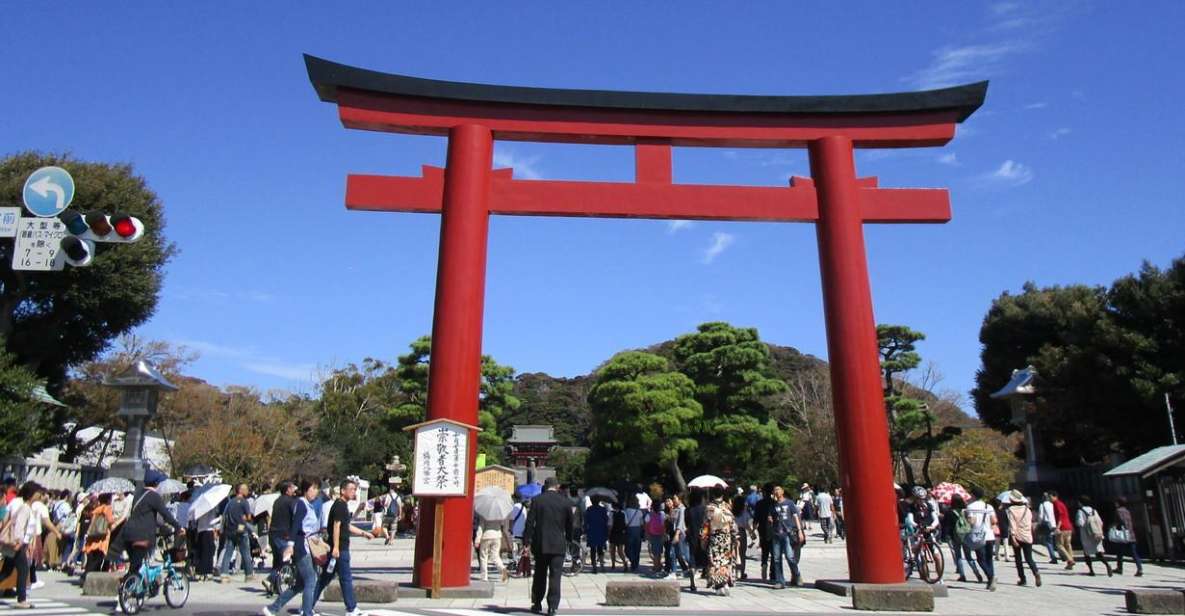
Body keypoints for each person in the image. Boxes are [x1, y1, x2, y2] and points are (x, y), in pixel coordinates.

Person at [120, 472, 185, 611]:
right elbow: (165, 514)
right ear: (156, 484)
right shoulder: (154, 496)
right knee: (136, 567)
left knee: (135, 565)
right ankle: (126, 593)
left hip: (128, 533)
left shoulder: (138, 494)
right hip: (142, 535)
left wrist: (160, 527)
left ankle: (132, 586)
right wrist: (178, 527)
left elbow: (145, 516)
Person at [314, 479, 376, 616]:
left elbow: (346, 525)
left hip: (339, 548)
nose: (354, 492)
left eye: (355, 489)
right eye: (352, 489)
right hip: (340, 549)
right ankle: (351, 608)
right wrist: (336, 547)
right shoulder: (340, 506)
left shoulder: (342, 506)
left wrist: (363, 533)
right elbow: (336, 526)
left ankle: (307, 605)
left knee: (325, 578)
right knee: (346, 578)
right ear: (343, 490)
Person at [262, 479, 322, 616]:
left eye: (317, 488)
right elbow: (295, 526)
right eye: (313, 488)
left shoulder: (307, 504)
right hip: (301, 547)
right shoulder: (301, 504)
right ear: (306, 489)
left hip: (305, 545)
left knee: (300, 584)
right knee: (310, 580)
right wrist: (290, 545)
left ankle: (273, 608)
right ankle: (307, 612)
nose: (315, 491)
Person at [523, 477, 573, 616]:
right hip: (558, 543)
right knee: (555, 575)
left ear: (545, 486)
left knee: (540, 573)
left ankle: (537, 602)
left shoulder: (537, 500)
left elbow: (530, 522)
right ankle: (553, 606)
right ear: (557, 486)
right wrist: (569, 539)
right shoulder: (565, 501)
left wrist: (526, 541)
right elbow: (570, 524)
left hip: (541, 543)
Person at [0, 482, 41, 609]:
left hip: (20, 544)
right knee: (23, 570)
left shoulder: (27, 507)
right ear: (31, 494)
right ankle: (21, 600)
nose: (40, 495)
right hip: (18, 544)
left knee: (6, 571)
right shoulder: (25, 508)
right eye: (37, 492)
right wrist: (19, 542)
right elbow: (19, 527)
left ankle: (21, 599)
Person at [702, 488, 738, 595]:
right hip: (726, 537)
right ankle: (725, 583)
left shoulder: (709, 508)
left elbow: (705, 524)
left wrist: (703, 538)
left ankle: (719, 585)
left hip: (715, 536)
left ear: (713, 495)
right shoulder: (727, 506)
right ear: (722, 494)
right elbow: (732, 523)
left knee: (715, 561)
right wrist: (734, 536)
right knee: (725, 560)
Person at [264, 481, 296, 596]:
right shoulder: (290, 502)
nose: (294, 490)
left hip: (273, 533)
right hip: (283, 534)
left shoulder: (277, 501)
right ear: (287, 489)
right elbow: (295, 517)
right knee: (284, 560)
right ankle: (270, 579)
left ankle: (274, 585)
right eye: (292, 488)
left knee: (277, 560)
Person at [219, 483, 255, 583]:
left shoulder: (230, 503)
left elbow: (225, 516)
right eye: (246, 489)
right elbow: (248, 517)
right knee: (245, 553)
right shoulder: (244, 502)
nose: (248, 491)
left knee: (228, 553)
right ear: (241, 490)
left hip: (230, 530)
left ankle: (224, 574)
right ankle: (248, 575)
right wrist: (245, 517)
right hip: (241, 530)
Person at [768, 486, 803, 589]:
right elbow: (770, 517)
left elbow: (795, 517)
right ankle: (780, 581)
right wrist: (770, 520)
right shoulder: (773, 505)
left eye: (778, 489)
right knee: (777, 559)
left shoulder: (789, 503)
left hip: (787, 533)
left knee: (790, 557)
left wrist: (800, 531)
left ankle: (797, 574)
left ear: (782, 491)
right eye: (775, 490)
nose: (777, 491)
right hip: (776, 534)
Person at [942, 495, 982, 583]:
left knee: (958, 556)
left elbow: (946, 525)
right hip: (966, 535)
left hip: (955, 536)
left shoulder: (950, 512)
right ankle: (977, 573)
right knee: (969, 557)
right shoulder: (965, 511)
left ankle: (962, 575)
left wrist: (946, 535)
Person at [1005, 490, 1041, 586]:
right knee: (1029, 558)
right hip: (1027, 536)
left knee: (1018, 559)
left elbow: (1012, 525)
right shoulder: (1027, 509)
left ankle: (1022, 578)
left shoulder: (1011, 510)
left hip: (1017, 536)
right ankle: (1036, 572)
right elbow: (1029, 522)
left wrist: (1012, 537)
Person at [965, 486, 998, 591]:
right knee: (989, 558)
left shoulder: (970, 507)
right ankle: (990, 581)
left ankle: (991, 576)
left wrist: (967, 517)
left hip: (978, 535)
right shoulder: (989, 507)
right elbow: (994, 521)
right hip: (989, 535)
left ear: (973, 495)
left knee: (980, 559)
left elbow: (971, 522)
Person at [1076, 495, 1113, 577]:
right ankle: (1107, 565)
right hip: (1096, 534)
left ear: (1080, 503)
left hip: (1086, 535)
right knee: (1099, 552)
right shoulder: (1094, 510)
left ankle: (1091, 570)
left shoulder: (1080, 511)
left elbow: (1080, 523)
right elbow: (1100, 522)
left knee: (1087, 553)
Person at [474, 506, 512, 583]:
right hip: (497, 535)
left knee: (483, 556)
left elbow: (481, 527)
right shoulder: (499, 514)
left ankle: (484, 576)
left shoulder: (484, 514)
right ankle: (502, 569)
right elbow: (502, 524)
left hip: (486, 536)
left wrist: (477, 540)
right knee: (495, 556)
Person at [82, 493, 115, 579]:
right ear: (108, 500)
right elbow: (110, 521)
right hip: (101, 537)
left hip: (92, 536)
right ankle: (89, 578)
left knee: (90, 559)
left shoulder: (96, 509)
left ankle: (85, 576)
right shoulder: (107, 508)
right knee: (97, 559)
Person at [1112, 497, 1143, 576]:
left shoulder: (1118, 511)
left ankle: (1119, 568)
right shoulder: (1127, 511)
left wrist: (1112, 527)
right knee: (1134, 553)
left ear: (1118, 503)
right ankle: (1139, 568)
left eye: (1116, 502)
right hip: (1131, 534)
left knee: (1119, 552)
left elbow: (1118, 522)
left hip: (1123, 535)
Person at [684, 490, 707, 592]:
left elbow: (687, 524)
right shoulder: (704, 509)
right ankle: (709, 579)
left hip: (692, 535)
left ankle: (692, 583)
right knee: (706, 556)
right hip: (703, 536)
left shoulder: (688, 510)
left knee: (692, 558)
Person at [753, 483, 776, 581]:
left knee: (764, 551)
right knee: (774, 553)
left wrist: (753, 531)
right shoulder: (775, 503)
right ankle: (772, 573)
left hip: (762, 530)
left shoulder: (759, 504)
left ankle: (764, 564)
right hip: (773, 530)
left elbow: (755, 519)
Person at [1050, 491, 1075, 569]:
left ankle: (1070, 560)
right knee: (1068, 544)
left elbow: (1060, 516)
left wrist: (1057, 527)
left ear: (1055, 496)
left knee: (1059, 545)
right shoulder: (1061, 503)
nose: (1049, 499)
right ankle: (1070, 563)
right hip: (1068, 526)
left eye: (1050, 497)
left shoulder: (1056, 504)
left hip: (1063, 527)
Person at [583, 497, 608, 574]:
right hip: (601, 530)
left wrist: (585, 531)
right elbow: (606, 520)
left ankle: (594, 566)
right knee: (600, 549)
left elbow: (586, 521)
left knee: (593, 549)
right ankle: (602, 565)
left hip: (592, 531)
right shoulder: (603, 509)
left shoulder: (589, 509)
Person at [731, 495, 750, 580]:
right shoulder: (745, 512)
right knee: (742, 553)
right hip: (742, 532)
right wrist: (751, 533)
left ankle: (733, 571)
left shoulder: (731, 512)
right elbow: (746, 524)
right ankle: (741, 572)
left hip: (733, 533)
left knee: (733, 553)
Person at [644, 500, 665, 575]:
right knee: (659, 552)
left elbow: (646, 526)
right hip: (660, 535)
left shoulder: (649, 515)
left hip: (652, 534)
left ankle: (656, 567)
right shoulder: (662, 514)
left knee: (654, 552)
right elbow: (663, 526)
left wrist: (647, 535)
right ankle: (658, 566)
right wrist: (663, 535)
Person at [1037, 492, 1059, 564]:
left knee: (1048, 541)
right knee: (1055, 540)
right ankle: (1060, 555)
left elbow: (1041, 516)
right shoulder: (1052, 504)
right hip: (1054, 524)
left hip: (1046, 524)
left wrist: (1039, 524)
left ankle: (1053, 557)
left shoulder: (1042, 505)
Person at [608, 501, 627, 571]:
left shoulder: (611, 513)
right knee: (620, 551)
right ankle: (625, 563)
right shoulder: (623, 513)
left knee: (612, 550)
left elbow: (610, 525)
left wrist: (608, 534)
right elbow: (626, 523)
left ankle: (613, 564)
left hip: (613, 533)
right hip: (621, 534)